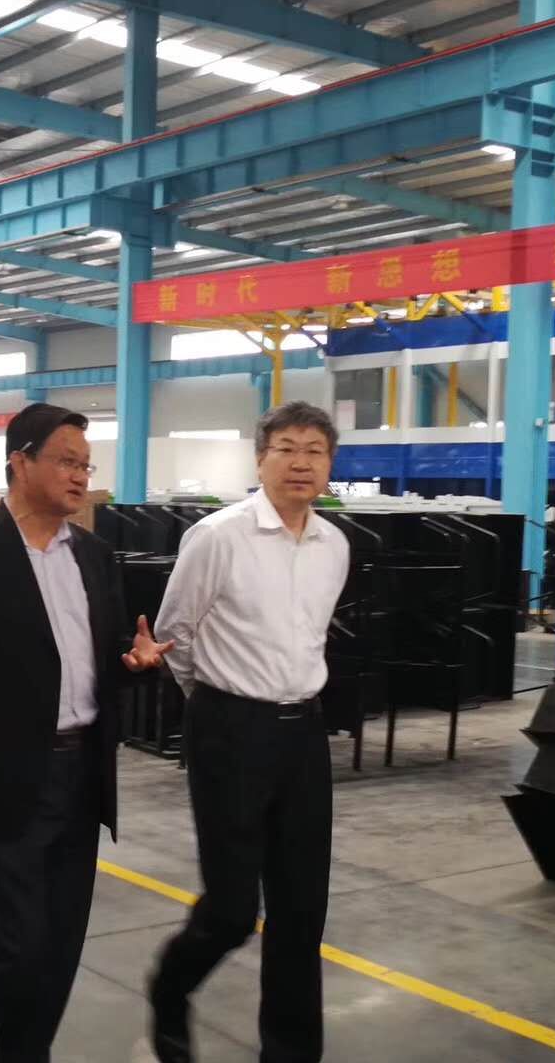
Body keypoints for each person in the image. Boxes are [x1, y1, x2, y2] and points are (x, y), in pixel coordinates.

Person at [0, 403, 172, 1061]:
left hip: (81, 776)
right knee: (14, 942)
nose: (79, 476)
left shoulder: (95, 557)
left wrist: (132, 664)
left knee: (59, 949)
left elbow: (96, 659)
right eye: (66, 461)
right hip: (5, 776)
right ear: (20, 463)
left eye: (86, 465)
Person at [146, 402, 350, 1063]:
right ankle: (171, 987)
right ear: (260, 459)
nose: (300, 462)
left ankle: (290, 1053)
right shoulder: (218, 537)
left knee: (301, 912)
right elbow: (174, 635)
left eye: (315, 450)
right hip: (230, 730)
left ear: (329, 464)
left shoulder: (335, 546)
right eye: (286, 448)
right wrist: (217, 703)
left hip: (304, 735)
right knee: (233, 910)